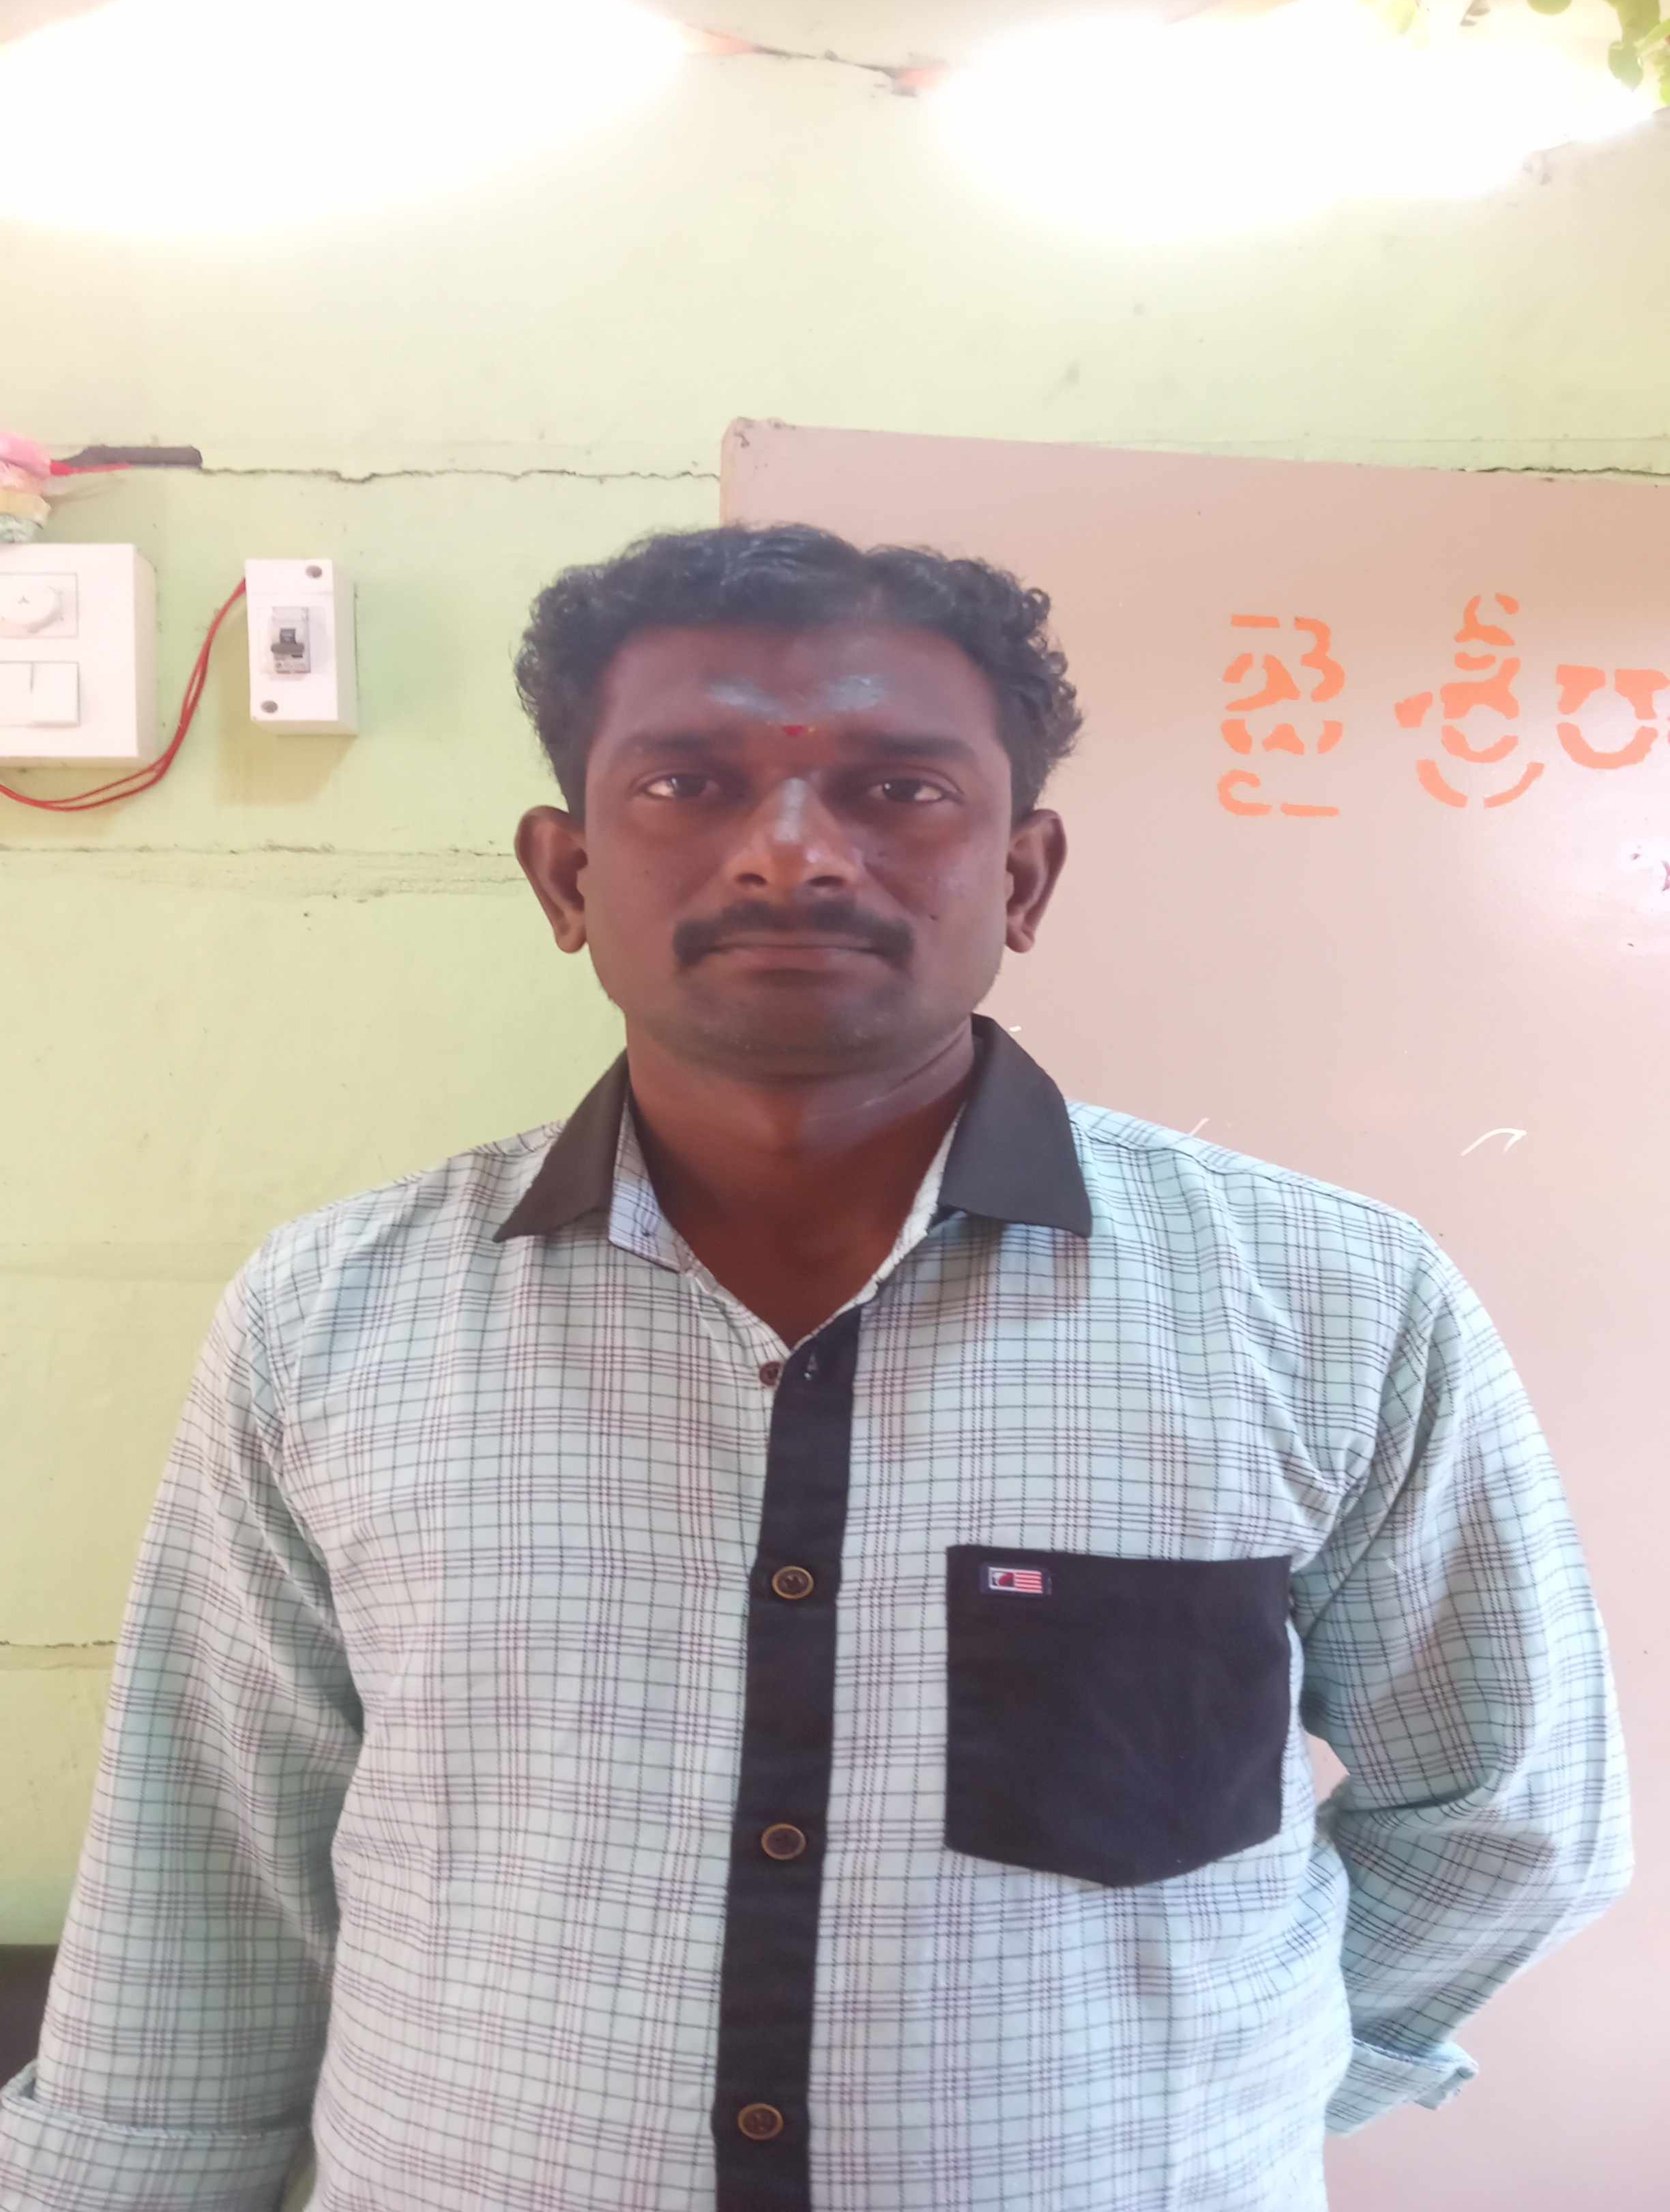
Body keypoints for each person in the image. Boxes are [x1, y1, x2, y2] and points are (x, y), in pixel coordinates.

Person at [0, 525, 1630, 2212]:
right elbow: (208, 1871)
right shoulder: (330, 1315)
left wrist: (1234, 2084)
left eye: (899, 790)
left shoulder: (1337, 1304)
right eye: (689, 785)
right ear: (566, 876)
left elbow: (1506, 1815)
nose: (791, 853)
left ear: (1023, 876)